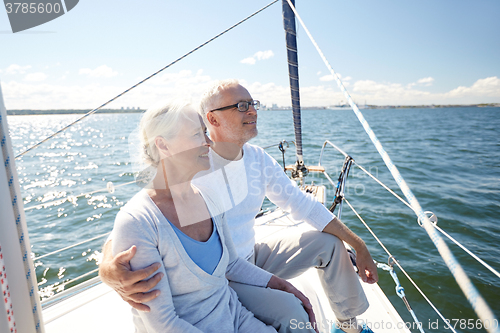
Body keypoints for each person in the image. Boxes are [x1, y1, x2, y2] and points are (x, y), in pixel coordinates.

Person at [100, 81, 378, 333]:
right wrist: (107, 265)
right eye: (241, 106)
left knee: (329, 243)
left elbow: (302, 204)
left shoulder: (256, 159)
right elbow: (147, 219)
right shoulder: (193, 167)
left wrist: (359, 244)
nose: (253, 112)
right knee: (293, 312)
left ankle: (348, 326)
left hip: (246, 258)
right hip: (224, 276)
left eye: (253, 104)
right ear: (212, 119)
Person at [109, 100, 315, 333]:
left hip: (234, 318)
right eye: (198, 134)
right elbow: (164, 325)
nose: (209, 142)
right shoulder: (139, 221)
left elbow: (232, 264)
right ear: (163, 146)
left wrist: (284, 287)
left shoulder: (209, 196)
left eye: (206, 132)